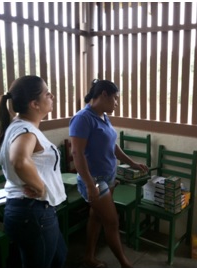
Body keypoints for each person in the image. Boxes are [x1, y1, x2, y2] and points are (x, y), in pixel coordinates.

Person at [0, 75, 67, 267]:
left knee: (59, 257)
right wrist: (40, 187)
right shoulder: (25, 130)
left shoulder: (19, 125)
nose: (52, 96)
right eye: (47, 94)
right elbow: (19, 161)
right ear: (34, 104)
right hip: (33, 212)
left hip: (30, 212)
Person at [69, 79, 148, 268]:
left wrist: (132, 163)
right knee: (112, 222)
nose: (117, 103)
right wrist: (89, 184)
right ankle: (125, 263)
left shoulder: (103, 116)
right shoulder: (83, 118)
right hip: (94, 180)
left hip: (108, 176)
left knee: (96, 217)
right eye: (115, 98)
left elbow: (112, 145)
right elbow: (76, 153)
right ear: (104, 94)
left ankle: (89, 257)